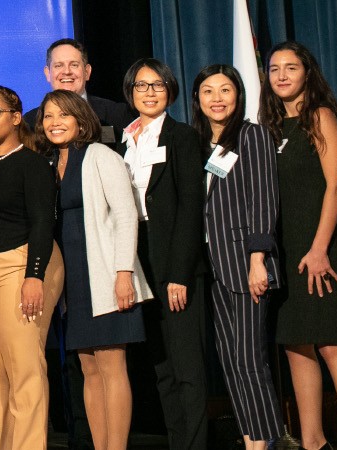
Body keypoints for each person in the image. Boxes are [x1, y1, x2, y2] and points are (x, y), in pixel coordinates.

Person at [260, 41, 337, 450]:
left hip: (318, 247)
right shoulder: (267, 128)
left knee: (333, 343)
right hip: (283, 252)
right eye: (274, 69)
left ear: (308, 73)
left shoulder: (319, 117)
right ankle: (313, 442)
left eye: (291, 67)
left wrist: (320, 247)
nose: (282, 75)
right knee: (295, 346)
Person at [40, 89, 153, 450]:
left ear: (80, 120)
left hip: (105, 276)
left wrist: (124, 274)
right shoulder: (47, 165)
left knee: (111, 367)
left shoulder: (100, 155)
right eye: (48, 117)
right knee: (88, 370)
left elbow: (125, 215)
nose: (55, 123)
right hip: (72, 283)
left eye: (63, 115)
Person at [119, 58, 210, 450]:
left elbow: (192, 207)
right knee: (162, 368)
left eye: (157, 85)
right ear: (131, 92)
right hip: (141, 259)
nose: (150, 92)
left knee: (187, 367)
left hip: (174, 261)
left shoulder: (183, 136)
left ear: (170, 90)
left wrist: (179, 273)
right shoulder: (124, 139)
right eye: (141, 86)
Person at [190, 64, 283, 450]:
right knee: (230, 363)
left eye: (225, 90)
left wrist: (258, 259)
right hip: (211, 268)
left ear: (238, 95)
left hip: (245, 265)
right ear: (197, 98)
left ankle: (263, 443)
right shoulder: (196, 143)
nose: (216, 98)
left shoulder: (252, 135)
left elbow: (264, 198)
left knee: (249, 359)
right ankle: (250, 439)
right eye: (208, 91)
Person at [0, 86, 65, 450]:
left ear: (15, 116)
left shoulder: (33, 163)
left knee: (24, 368)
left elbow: (43, 222)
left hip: (25, 264)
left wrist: (33, 277)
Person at [24, 39, 135, 146]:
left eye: (74, 65)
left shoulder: (116, 113)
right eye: (59, 65)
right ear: (48, 73)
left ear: (87, 72)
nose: (67, 71)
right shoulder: (30, 122)